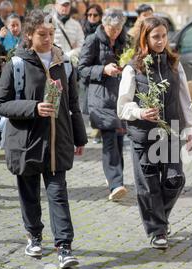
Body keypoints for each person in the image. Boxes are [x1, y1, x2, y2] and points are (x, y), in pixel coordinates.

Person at [0, 9, 88, 269]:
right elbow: (0, 104)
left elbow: (73, 104)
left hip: (57, 142)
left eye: (51, 34)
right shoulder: (17, 63)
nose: (48, 39)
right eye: (42, 35)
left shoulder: (64, 63)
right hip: (25, 142)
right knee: (30, 193)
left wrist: (80, 138)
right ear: (29, 35)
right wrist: (33, 108)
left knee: (58, 193)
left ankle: (64, 246)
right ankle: (34, 235)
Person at [117, 16, 192, 250]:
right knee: (148, 185)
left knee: (175, 180)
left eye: (164, 36)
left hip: (170, 133)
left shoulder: (174, 64)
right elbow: (122, 106)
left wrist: (190, 128)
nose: (161, 41)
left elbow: (184, 99)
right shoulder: (133, 67)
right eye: (155, 36)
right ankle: (157, 230)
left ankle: (159, 218)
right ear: (145, 38)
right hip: (143, 134)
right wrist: (140, 112)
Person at [78, 8, 128, 202]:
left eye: (118, 28)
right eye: (111, 28)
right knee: (109, 139)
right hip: (100, 98)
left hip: (120, 97)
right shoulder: (93, 40)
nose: (115, 32)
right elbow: (82, 69)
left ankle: (116, 179)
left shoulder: (125, 40)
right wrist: (103, 70)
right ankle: (116, 183)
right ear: (104, 25)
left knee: (118, 140)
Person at [79, 3, 103, 143]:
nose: (92, 18)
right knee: (86, 101)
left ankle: (97, 131)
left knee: (97, 100)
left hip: (98, 68)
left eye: (95, 15)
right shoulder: (82, 28)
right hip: (84, 68)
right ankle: (93, 128)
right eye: (89, 15)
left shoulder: (103, 30)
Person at [52, 0, 85, 66]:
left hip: (71, 62)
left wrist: (71, 54)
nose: (65, 8)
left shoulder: (76, 24)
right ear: (56, 5)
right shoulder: (49, 23)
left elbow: (82, 45)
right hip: (53, 62)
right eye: (63, 5)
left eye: (67, 5)